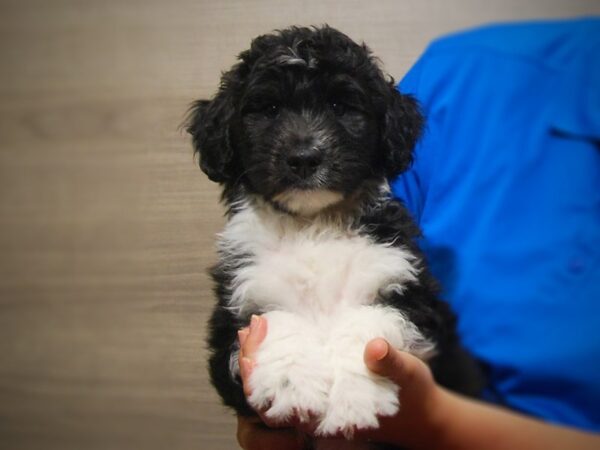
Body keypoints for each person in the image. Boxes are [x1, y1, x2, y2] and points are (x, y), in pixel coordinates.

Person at [236, 18, 600, 449]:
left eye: (339, 109)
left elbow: (411, 306)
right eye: (271, 111)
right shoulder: (462, 73)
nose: (304, 147)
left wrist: (431, 418)